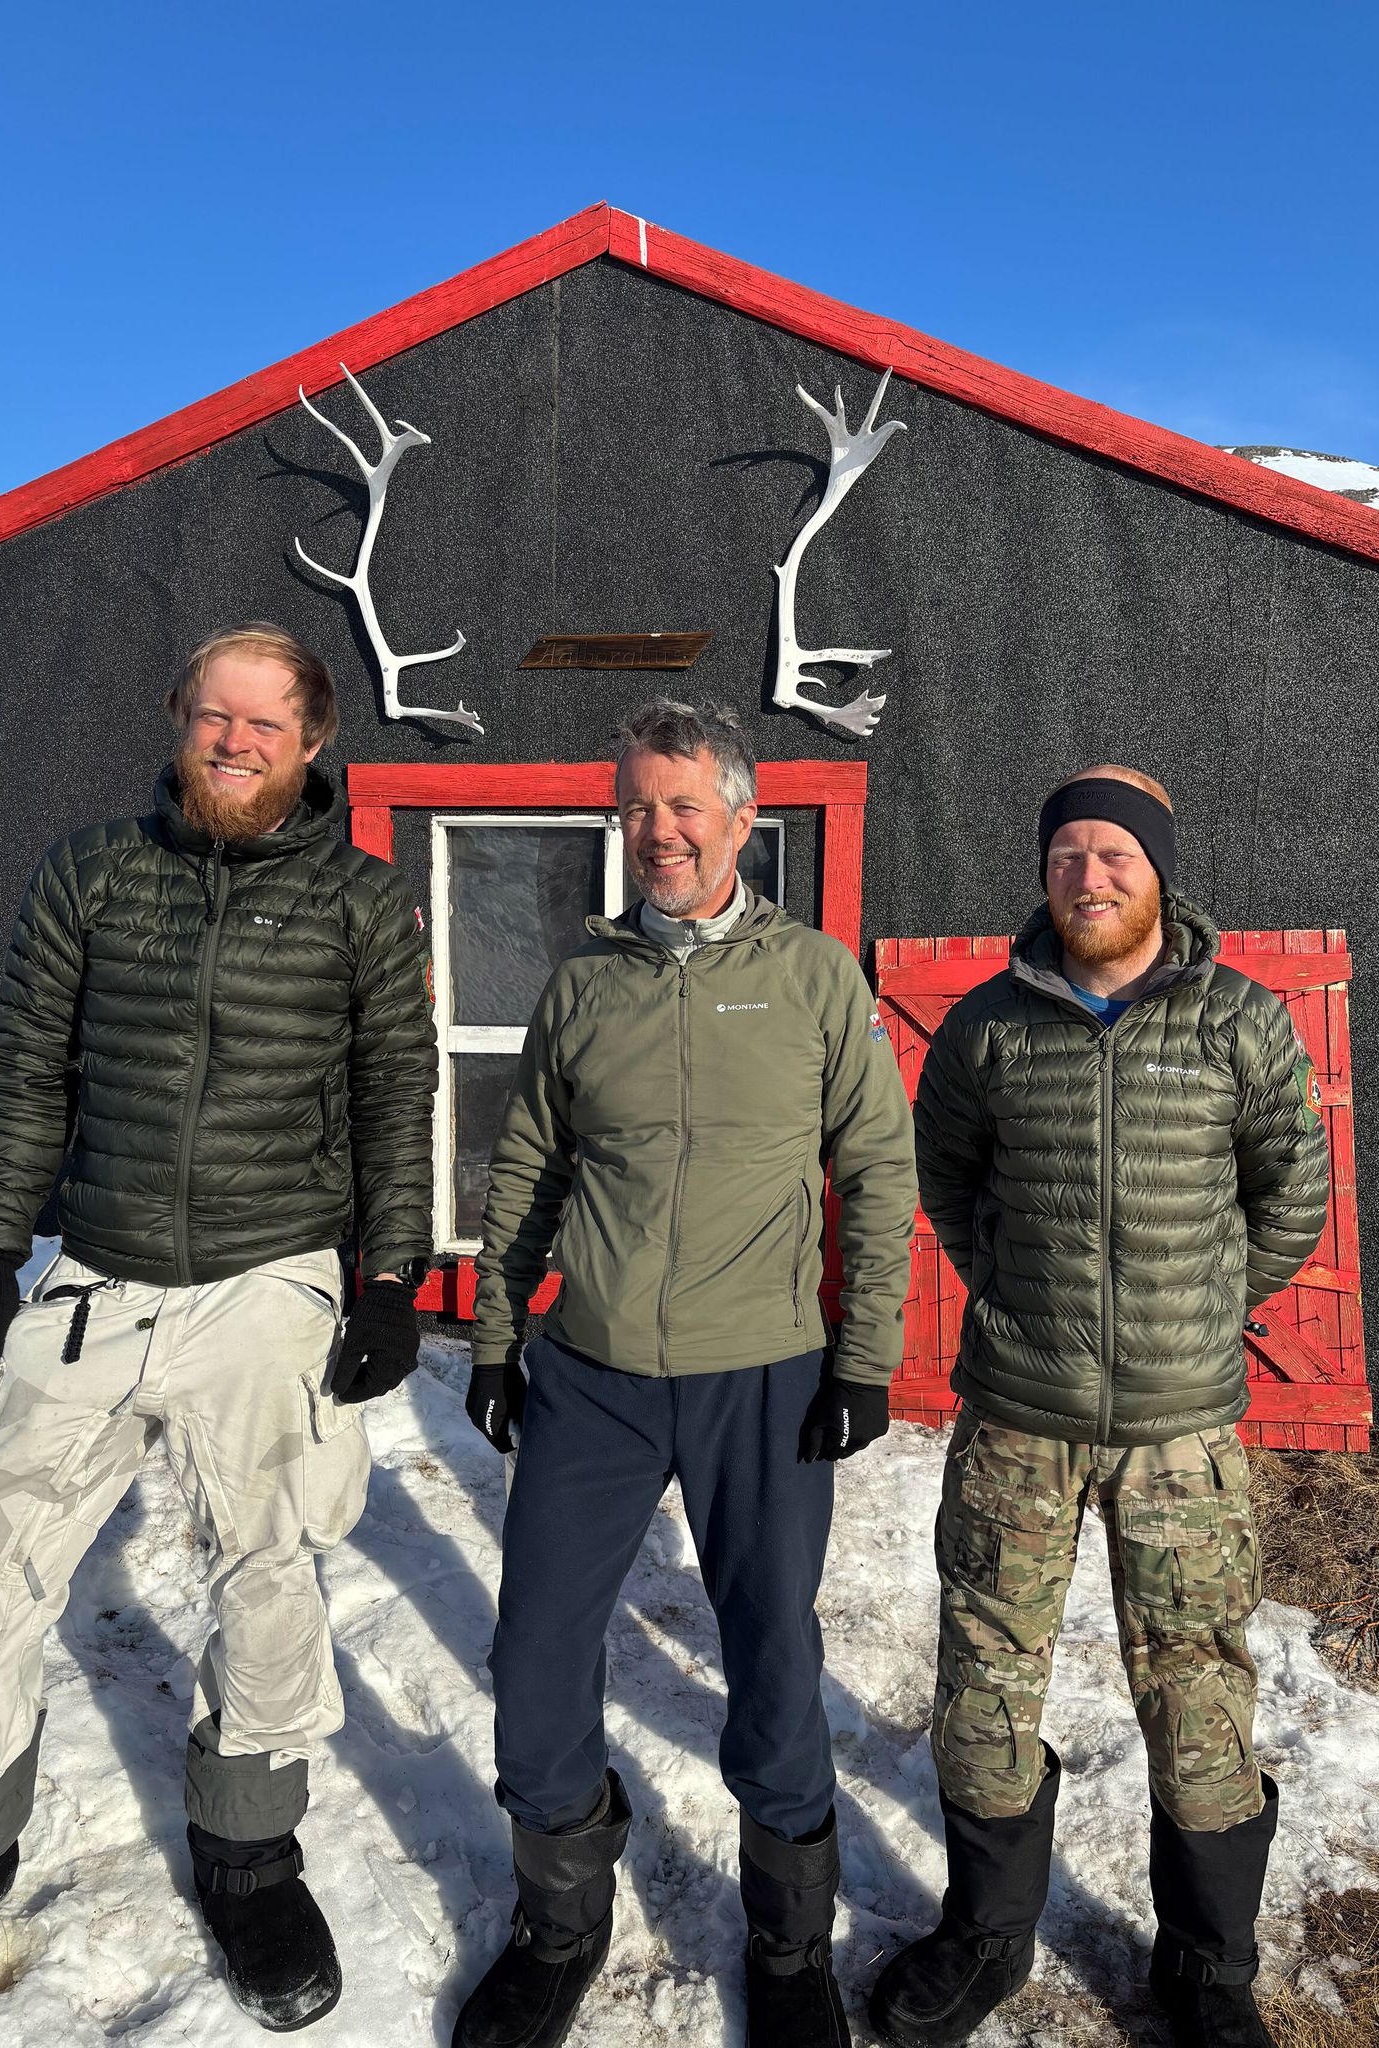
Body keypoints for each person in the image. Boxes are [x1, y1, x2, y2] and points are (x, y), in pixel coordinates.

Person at [0, 625, 436, 2032]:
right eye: (214, 715)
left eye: (265, 722)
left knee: (267, 1566)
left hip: (273, 1276)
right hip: (104, 1270)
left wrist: (392, 1281)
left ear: (314, 740)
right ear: (178, 720)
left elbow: (398, 1099)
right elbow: (27, 1072)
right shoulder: (92, 873)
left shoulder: (366, 905)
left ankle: (249, 1853)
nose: (234, 740)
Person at [454, 698, 917, 2048]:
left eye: (682, 806)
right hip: (591, 1371)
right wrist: (495, 1335)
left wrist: (865, 1352)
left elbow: (877, 1170)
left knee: (773, 1656)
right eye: (637, 807)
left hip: (760, 1375)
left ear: (740, 820)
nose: (658, 831)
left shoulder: (819, 977)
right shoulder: (583, 983)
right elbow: (529, 1163)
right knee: (534, 1651)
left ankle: (788, 1949)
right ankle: (560, 1917)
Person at [869, 767, 1330, 2048]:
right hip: (1019, 1416)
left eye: (1115, 851)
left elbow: (1294, 1184)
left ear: (1159, 870)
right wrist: (1017, 1292)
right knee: (987, 1675)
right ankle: (985, 1936)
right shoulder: (988, 1028)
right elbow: (949, 1184)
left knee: (1198, 1688)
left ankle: (1209, 1964)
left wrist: (1205, 1303)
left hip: (1185, 1434)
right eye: (1067, 851)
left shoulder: (1240, 1021)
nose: (1090, 873)